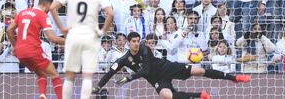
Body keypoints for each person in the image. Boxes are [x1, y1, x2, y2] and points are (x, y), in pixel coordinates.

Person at [92, 32, 252, 99]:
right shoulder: (123, 60)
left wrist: (130, 77)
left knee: (200, 70)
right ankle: (200, 95)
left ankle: (235, 77)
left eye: (137, 41)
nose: (135, 44)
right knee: (167, 96)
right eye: (132, 41)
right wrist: (98, 87)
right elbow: (110, 72)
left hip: (167, 67)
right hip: (157, 79)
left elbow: (146, 69)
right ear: (127, 43)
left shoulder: (145, 48)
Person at [49, 0, 114, 99]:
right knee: (87, 76)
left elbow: (52, 7)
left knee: (69, 76)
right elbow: (111, 13)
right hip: (90, 36)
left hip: (73, 35)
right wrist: (102, 31)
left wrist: (61, 27)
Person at [6, 0, 65, 99]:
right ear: (48, 5)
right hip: (33, 50)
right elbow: (52, 38)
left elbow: (9, 30)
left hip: (20, 53)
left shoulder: (23, 12)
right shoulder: (42, 15)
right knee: (55, 75)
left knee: (41, 73)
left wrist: (15, 46)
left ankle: (42, 95)